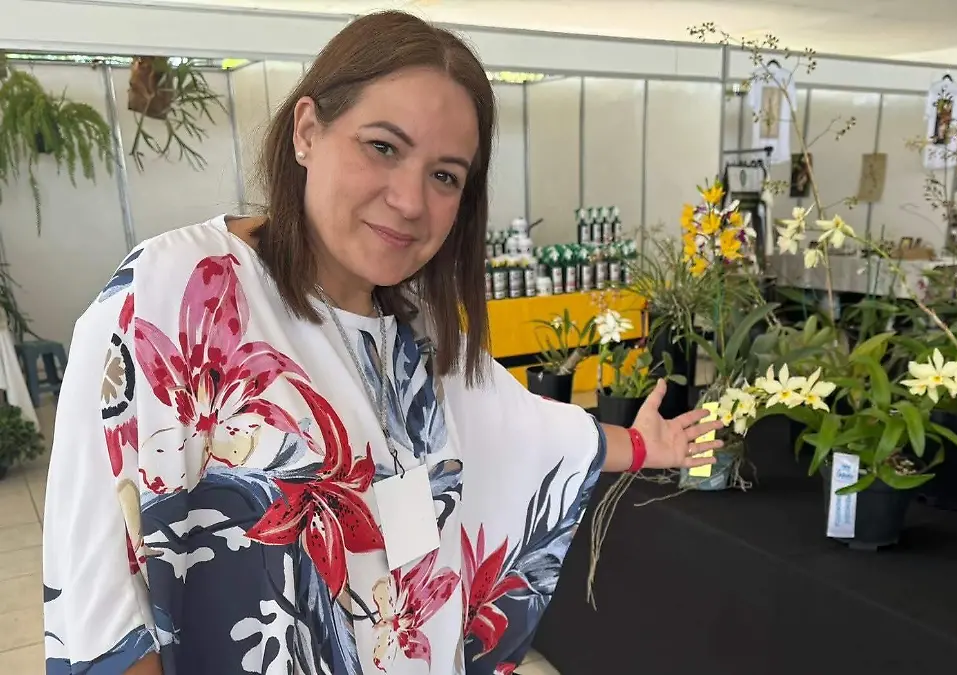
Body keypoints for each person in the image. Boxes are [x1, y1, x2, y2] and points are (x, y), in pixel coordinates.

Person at [42, 12, 722, 675]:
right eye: (384, 146)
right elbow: (97, 591)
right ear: (307, 130)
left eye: (445, 175)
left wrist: (642, 445)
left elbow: (522, 428)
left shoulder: (417, 329)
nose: (409, 200)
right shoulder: (179, 293)